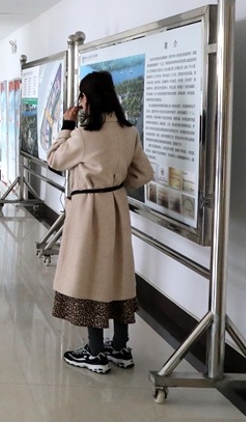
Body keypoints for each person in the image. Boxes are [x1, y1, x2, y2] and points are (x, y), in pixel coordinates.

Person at [46, 71, 154, 374]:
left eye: (82, 96)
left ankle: (95, 352)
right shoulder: (128, 131)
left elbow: (54, 160)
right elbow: (144, 173)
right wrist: (115, 185)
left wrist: (66, 126)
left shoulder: (83, 135)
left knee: (90, 273)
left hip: (89, 210)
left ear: (87, 98)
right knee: (117, 272)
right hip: (116, 205)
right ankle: (120, 345)